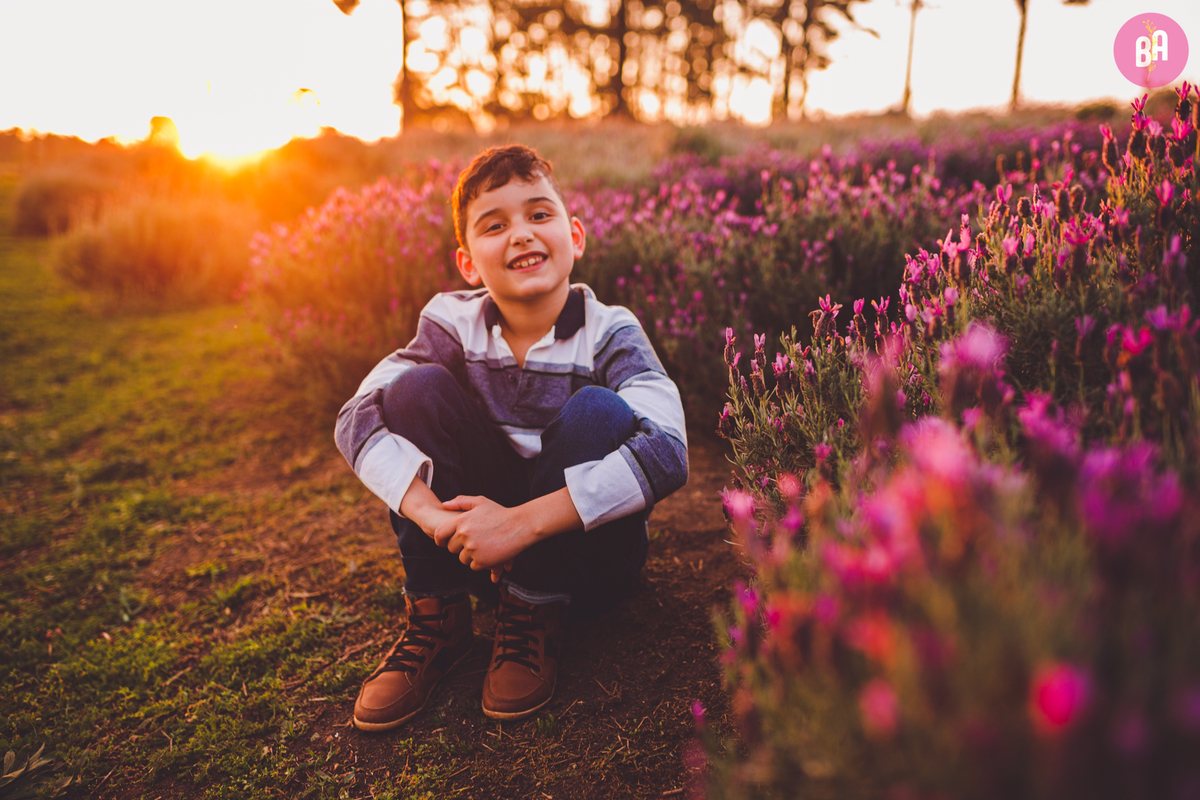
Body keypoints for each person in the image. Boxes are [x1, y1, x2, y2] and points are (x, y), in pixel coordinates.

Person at [334, 144, 689, 731]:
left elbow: (669, 451)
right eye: (494, 225)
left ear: (575, 237)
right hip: (478, 554)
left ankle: (532, 615)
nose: (521, 234)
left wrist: (519, 526)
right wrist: (437, 520)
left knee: (599, 412)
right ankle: (439, 616)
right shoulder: (451, 322)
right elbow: (356, 414)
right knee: (412, 391)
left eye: (538, 214)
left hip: (590, 567)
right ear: (469, 263)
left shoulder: (611, 330)